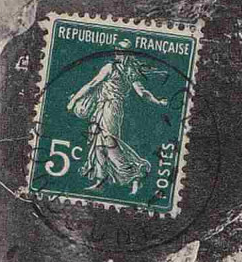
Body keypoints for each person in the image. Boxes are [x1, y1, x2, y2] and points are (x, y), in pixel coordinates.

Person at [67, 40, 168, 195]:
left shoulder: (130, 72)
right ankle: (100, 181)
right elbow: (92, 84)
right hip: (101, 107)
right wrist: (74, 100)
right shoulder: (110, 67)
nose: (121, 53)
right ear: (116, 51)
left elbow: (143, 93)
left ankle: (135, 173)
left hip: (113, 108)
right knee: (98, 144)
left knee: (108, 141)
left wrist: (158, 101)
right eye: (119, 50)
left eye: (124, 51)